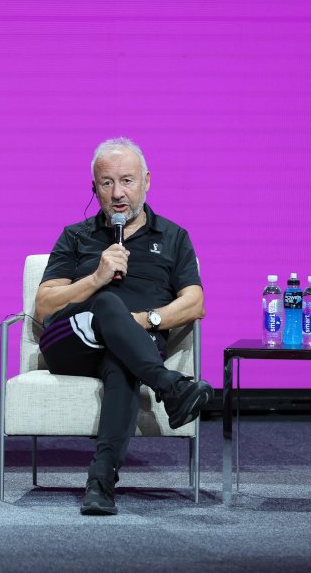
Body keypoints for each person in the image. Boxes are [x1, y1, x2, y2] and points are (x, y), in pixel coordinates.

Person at [35, 137, 213, 516]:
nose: (118, 193)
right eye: (107, 183)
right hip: (71, 341)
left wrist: (147, 320)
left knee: (123, 364)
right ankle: (171, 386)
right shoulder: (76, 236)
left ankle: (100, 484)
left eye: (128, 181)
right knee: (106, 302)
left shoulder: (173, 237)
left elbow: (195, 303)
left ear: (147, 181)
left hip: (135, 345)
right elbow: (44, 303)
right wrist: (96, 278)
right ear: (94, 188)